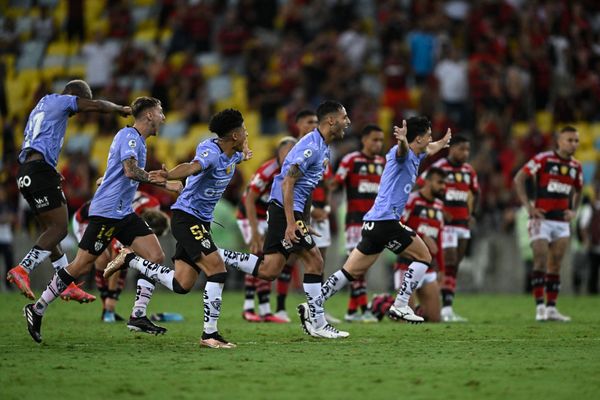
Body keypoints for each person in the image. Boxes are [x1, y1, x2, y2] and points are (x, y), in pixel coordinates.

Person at [23, 96, 181, 343]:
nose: (164, 117)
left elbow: (121, 171)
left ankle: (138, 314)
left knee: (155, 256)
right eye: (161, 112)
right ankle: (37, 308)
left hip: (123, 212)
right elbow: (130, 170)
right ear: (149, 115)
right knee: (80, 266)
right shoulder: (129, 136)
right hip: (107, 212)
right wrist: (162, 182)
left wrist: (109, 178)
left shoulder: (137, 140)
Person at [104, 108, 252, 349]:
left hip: (200, 221)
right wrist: (170, 174)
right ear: (234, 135)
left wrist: (244, 152)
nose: (247, 133)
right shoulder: (211, 151)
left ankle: (131, 259)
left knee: (181, 284)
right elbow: (192, 167)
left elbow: (239, 154)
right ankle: (209, 335)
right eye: (244, 130)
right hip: (187, 218)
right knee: (217, 270)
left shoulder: (232, 153)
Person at [220, 100, 351, 339]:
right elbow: (288, 182)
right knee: (315, 263)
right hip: (283, 210)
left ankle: (218, 254)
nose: (347, 121)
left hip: (289, 211)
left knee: (270, 270)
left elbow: (307, 188)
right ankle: (318, 322)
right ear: (331, 120)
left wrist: (304, 220)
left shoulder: (323, 147)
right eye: (344, 117)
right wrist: (292, 222)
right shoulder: (309, 147)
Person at [315, 116, 452, 333]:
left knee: (349, 272)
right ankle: (401, 304)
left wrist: (443, 142)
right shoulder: (402, 154)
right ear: (418, 138)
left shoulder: (419, 153)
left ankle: (313, 304)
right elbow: (402, 151)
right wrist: (402, 140)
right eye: (428, 135)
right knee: (424, 256)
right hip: (387, 221)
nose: (431, 139)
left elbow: (431, 148)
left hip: (372, 223)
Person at [8, 80, 131, 302]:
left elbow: (37, 143)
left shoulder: (41, 105)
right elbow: (96, 105)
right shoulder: (64, 100)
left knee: (50, 231)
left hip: (26, 172)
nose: (75, 114)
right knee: (59, 229)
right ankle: (22, 269)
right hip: (39, 171)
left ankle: (66, 284)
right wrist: (120, 109)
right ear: (74, 94)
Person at [513, 126, 582, 321]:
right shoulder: (543, 160)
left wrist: (574, 210)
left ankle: (552, 308)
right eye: (570, 140)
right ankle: (540, 307)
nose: (573, 144)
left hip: (561, 222)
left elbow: (579, 190)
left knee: (555, 264)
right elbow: (519, 178)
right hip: (541, 220)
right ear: (559, 141)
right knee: (541, 261)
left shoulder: (576, 166)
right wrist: (529, 207)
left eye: (576, 141)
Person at [416, 135, 479, 322]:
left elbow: (475, 194)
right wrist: (437, 209)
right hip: (445, 225)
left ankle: (448, 307)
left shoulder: (469, 171)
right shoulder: (439, 168)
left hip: (462, 223)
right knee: (448, 260)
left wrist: (472, 214)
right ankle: (438, 305)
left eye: (467, 150)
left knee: (455, 264)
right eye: (461, 149)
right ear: (452, 149)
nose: (465, 153)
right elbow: (420, 187)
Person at [236, 136, 297, 323]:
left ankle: (264, 310)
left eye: (292, 153)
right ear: (278, 153)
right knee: (258, 255)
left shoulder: (294, 171)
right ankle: (248, 307)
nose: (289, 157)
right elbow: (249, 199)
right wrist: (254, 232)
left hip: (269, 218)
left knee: (267, 260)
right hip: (250, 215)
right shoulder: (269, 170)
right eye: (286, 152)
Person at [332, 124, 385, 322]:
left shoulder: (383, 163)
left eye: (381, 140)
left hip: (376, 221)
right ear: (364, 140)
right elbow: (335, 184)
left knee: (363, 267)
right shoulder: (351, 160)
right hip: (355, 221)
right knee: (357, 266)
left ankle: (352, 311)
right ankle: (363, 308)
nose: (378, 144)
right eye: (374, 140)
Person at [395, 167, 447, 322]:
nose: (443, 187)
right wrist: (422, 236)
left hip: (428, 269)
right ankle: (380, 304)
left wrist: (442, 269)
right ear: (428, 181)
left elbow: (439, 240)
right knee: (404, 318)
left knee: (434, 319)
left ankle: (415, 309)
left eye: (444, 183)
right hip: (406, 266)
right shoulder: (411, 200)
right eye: (439, 182)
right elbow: (397, 227)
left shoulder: (439, 206)